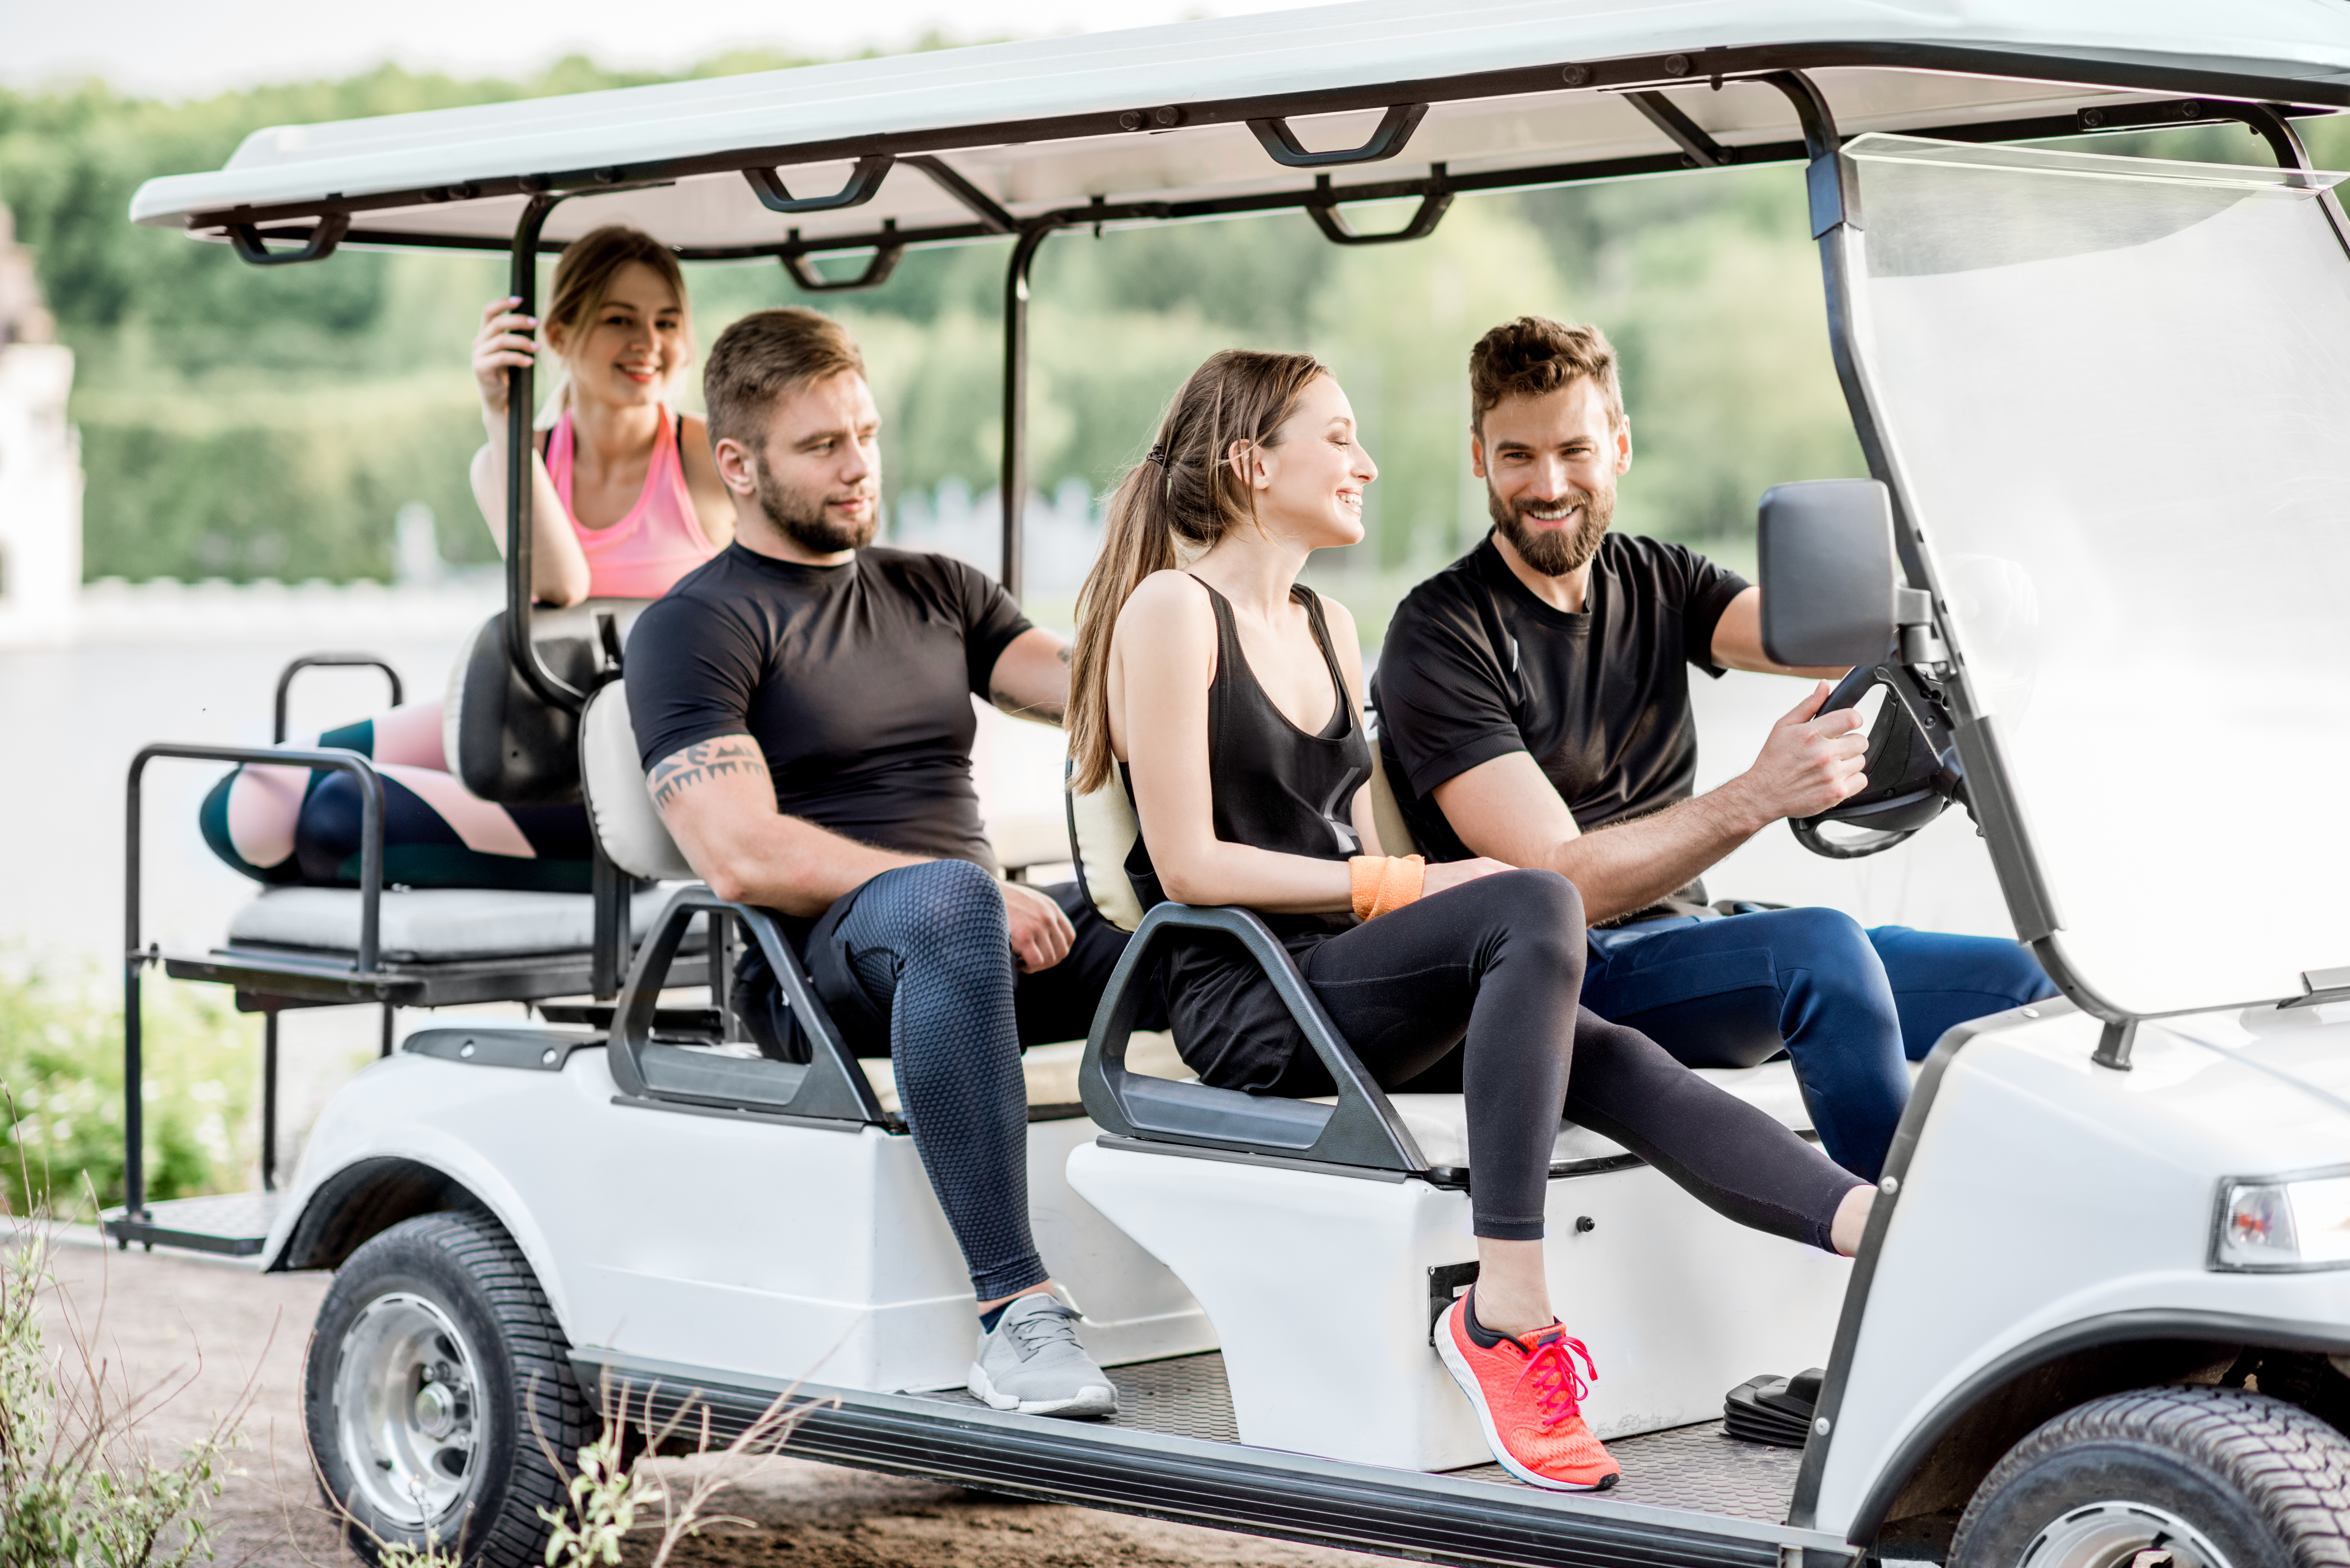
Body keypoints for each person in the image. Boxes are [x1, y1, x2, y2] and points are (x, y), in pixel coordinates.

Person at [1067, 348, 1873, 1492]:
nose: (1367, 463)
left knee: (1600, 1051)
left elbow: (1355, 842)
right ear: (1254, 463)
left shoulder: (1330, 627)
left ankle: (1873, 1231)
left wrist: (1414, 889)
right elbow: (1191, 866)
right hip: (1254, 997)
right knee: (1539, 897)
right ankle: (1509, 1311)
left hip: (1344, 969)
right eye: (1338, 437)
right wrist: (1412, 889)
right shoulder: (1171, 611)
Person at [1372, 316, 2057, 1182]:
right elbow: (1559, 880)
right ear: (1480, 459)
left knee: (2019, 985)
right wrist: (1760, 793)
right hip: (1559, 980)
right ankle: (1904, 1249)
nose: (1548, 485)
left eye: (1575, 451)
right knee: (1821, 951)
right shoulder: (1440, 634)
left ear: (1620, 447)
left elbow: (1826, 634)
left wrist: (1956, 610)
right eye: (1517, 457)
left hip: (1684, 939)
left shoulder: (1658, 579)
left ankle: (2052, 1223)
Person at [627, 306, 1141, 1421]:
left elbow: (1099, 692)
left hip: (973, 942)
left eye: (864, 433)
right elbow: (739, 852)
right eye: (822, 446)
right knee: (953, 900)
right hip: (818, 972)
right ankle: (1016, 1312)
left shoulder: (938, 589)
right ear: (739, 465)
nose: (859, 465)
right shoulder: (694, 626)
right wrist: (976, 895)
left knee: (1173, 916)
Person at [198, 225, 735, 892]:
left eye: (667, 322)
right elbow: (561, 582)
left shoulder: (713, 458)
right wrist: (502, 415)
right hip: (532, 726)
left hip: (641, 772)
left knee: (339, 814)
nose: (648, 343)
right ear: (560, 336)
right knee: (248, 805)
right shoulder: (509, 459)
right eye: (619, 319)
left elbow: (567, 588)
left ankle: (574, 866)